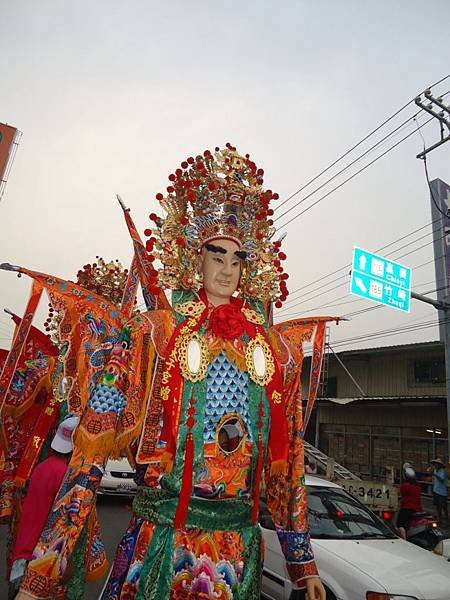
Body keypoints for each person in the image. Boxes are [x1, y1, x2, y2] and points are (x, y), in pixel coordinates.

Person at [14, 145, 331, 600]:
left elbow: (289, 463)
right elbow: (92, 448)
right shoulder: (153, 335)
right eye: (216, 256)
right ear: (194, 259)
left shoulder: (275, 350)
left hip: (237, 552)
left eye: (236, 260)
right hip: (161, 544)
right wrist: (48, 566)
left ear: (249, 266)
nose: (226, 269)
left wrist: (302, 562)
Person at [8, 415, 79, 599]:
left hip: (21, 551)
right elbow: (61, 522)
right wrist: (66, 561)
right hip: (39, 558)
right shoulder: (65, 475)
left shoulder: (41, 467)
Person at [396, 463, 422, 539]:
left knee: (400, 524)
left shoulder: (405, 486)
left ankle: (404, 540)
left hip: (407, 508)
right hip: (418, 509)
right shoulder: (418, 486)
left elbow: (401, 494)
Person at [430, 457, 449, 524]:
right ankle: (439, 520)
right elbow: (434, 481)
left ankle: (447, 520)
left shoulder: (443, 471)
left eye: (437, 464)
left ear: (440, 465)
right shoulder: (435, 471)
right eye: (435, 464)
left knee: (444, 507)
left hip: (442, 492)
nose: (435, 465)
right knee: (438, 507)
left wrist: (434, 474)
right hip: (436, 491)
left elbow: (441, 480)